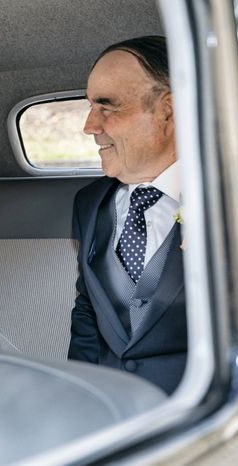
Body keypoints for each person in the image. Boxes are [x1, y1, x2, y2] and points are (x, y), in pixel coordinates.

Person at [68, 36, 187, 394]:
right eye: (90, 106)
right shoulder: (88, 203)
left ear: (169, 110)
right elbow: (88, 311)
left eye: (107, 106)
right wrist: (79, 397)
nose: (90, 126)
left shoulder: (232, 203)